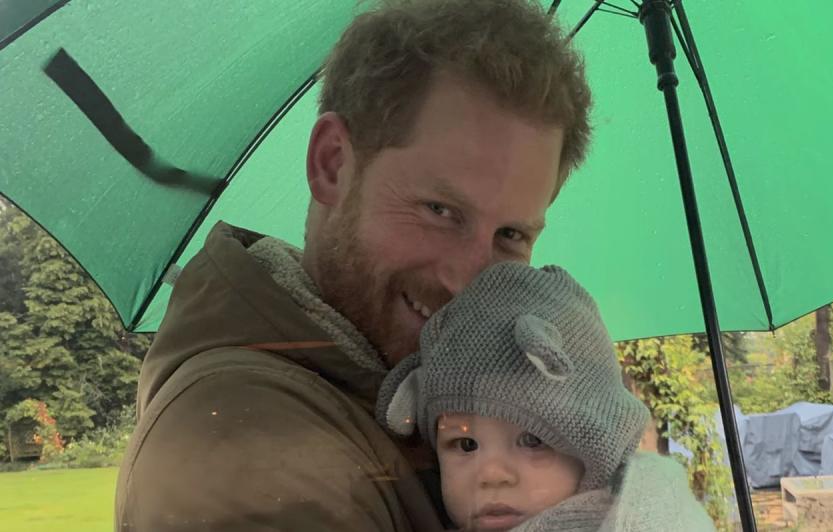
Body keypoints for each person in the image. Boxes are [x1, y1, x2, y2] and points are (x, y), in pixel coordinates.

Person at [114, 0, 591, 530]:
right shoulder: (256, 453)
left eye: (511, 235)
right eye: (441, 211)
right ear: (332, 164)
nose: (468, 283)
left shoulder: (409, 402)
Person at [377, 262, 716, 531]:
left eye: (533, 440)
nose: (492, 474)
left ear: (597, 446)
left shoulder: (638, 519)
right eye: (466, 445)